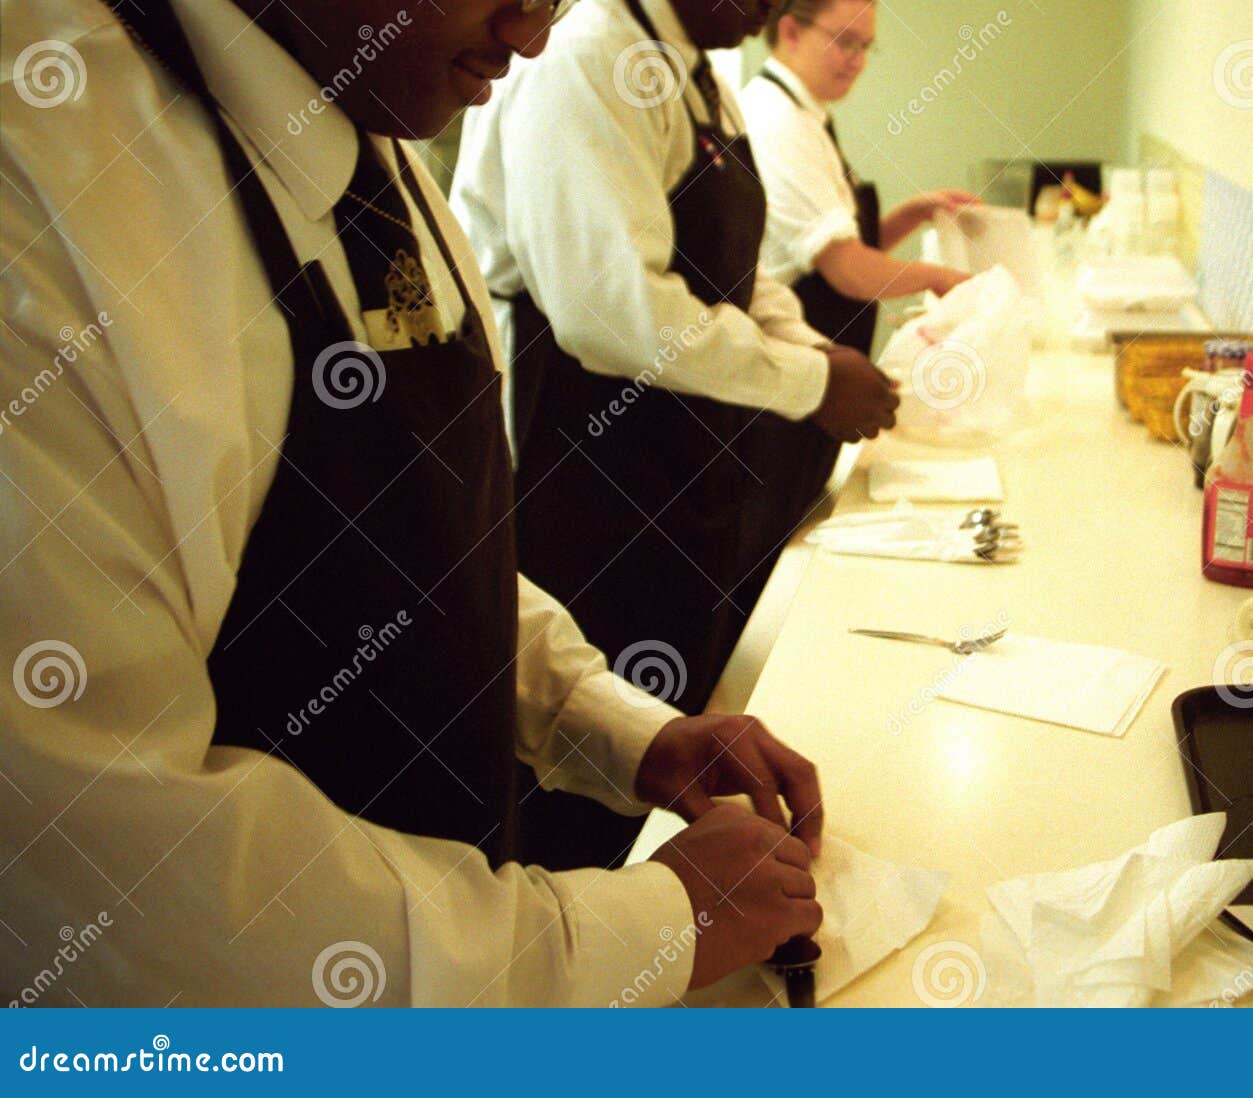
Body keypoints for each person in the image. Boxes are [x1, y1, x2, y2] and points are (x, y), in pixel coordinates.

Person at [0, 0, 822, 1007]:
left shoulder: (367, 121)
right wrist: (644, 928)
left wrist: (612, 726)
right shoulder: (48, 192)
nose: (530, 31)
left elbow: (419, 554)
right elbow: (120, 876)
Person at [450, 0, 897, 866]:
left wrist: (812, 348)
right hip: (593, 478)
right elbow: (611, 312)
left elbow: (742, 269)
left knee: (686, 731)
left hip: (691, 471)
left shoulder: (701, 77)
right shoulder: (585, 57)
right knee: (589, 782)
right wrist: (809, 383)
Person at [739, 0, 977, 540]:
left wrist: (908, 216)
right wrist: (942, 279)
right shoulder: (778, 123)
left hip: (819, 384)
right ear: (792, 31)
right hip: (790, 386)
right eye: (845, 41)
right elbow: (847, 271)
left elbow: (832, 246)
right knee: (770, 544)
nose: (856, 60)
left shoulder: (808, 115)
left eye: (865, 46)